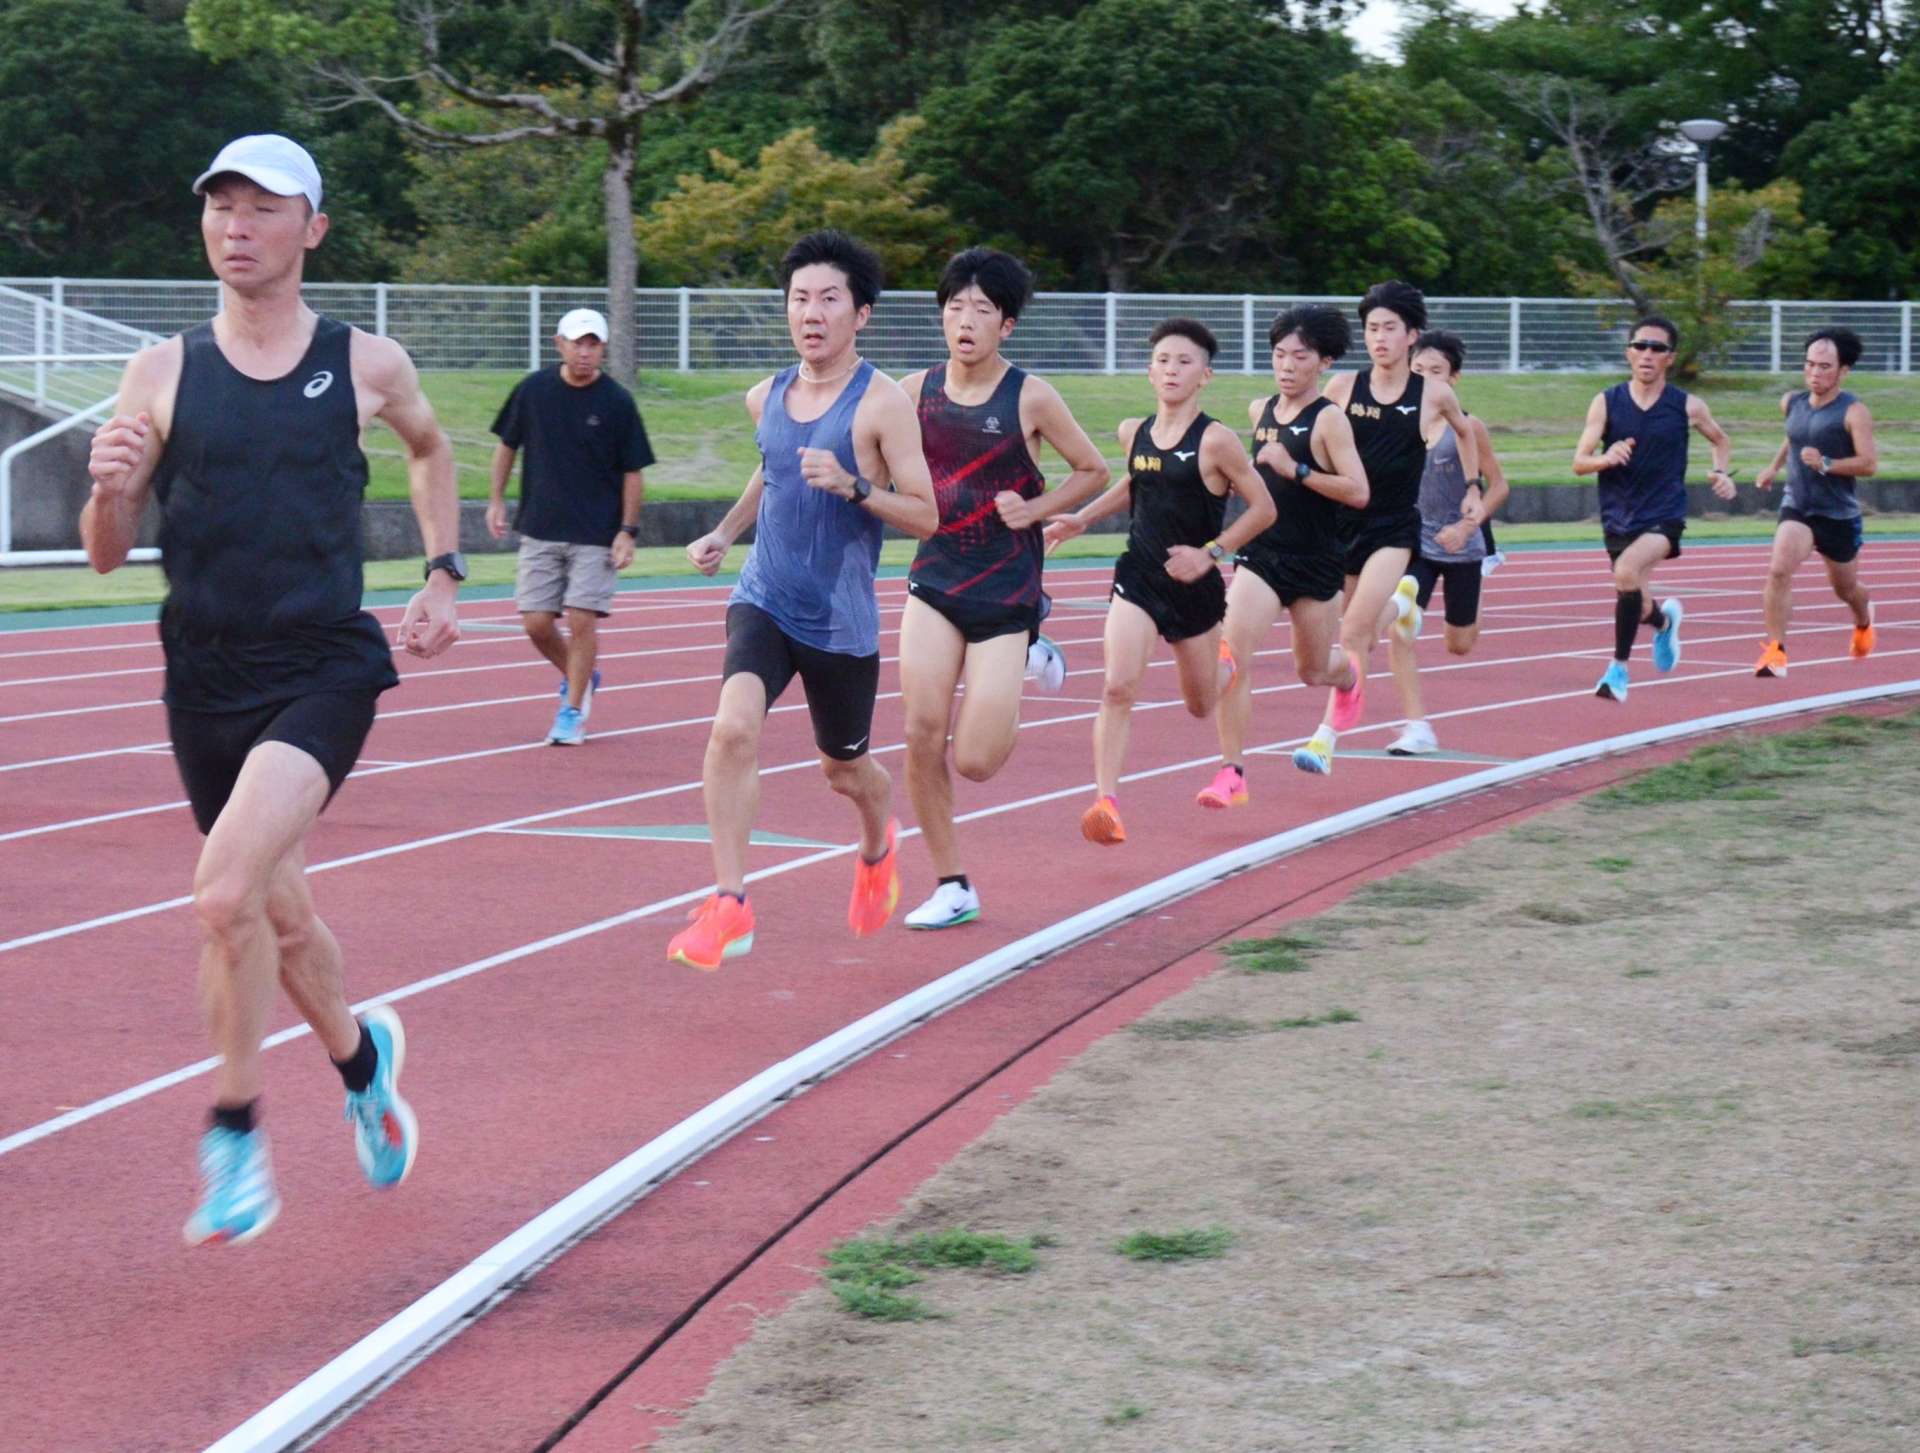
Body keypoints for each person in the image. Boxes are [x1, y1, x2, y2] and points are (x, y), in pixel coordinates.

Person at [79, 135, 461, 1245]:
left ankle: (236, 1133)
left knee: (221, 889)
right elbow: (105, 549)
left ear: (313, 229)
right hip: (203, 673)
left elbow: (431, 453)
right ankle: (362, 1062)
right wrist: (108, 492)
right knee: (275, 914)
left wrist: (442, 569)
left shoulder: (365, 364)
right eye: (220, 206)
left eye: (262, 207)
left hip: (322, 667)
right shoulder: (161, 371)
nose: (235, 226)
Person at [671, 231, 938, 969]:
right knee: (731, 731)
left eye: (828, 299)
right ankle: (730, 902)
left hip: (838, 621)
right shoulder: (767, 395)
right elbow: (774, 471)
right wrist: (726, 531)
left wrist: (855, 484)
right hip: (763, 595)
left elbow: (926, 514)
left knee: (843, 769)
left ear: (862, 314)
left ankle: (878, 845)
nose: (811, 313)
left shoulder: (882, 405)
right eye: (799, 299)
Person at [897, 248, 1110, 928]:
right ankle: (952, 882)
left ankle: (1027, 653)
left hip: (1005, 592)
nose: (965, 321)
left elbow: (1091, 469)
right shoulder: (913, 391)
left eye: (981, 310)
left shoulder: (1031, 396)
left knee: (977, 760)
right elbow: (866, 451)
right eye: (955, 307)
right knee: (921, 733)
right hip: (933, 581)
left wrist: (1038, 509)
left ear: (1006, 325)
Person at [1044, 318, 1275, 844]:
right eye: (1164, 361)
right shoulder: (1134, 431)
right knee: (1117, 686)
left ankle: (1225, 662)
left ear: (1205, 376)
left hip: (1195, 588)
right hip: (1140, 576)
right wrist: (1082, 518)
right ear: (1150, 371)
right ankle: (1106, 801)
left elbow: (1263, 508)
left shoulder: (1217, 441)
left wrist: (1211, 554)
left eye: (1184, 362)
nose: (1172, 370)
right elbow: (1137, 481)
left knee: (1201, 705)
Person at [1293, 280, 1477, 775]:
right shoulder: (1342, 388)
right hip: (1341, 526)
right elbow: (1309, 439)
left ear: (1411, 335)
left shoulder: (1432, 393)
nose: (1379, 338)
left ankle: (1325, 737)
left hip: (1394, 530)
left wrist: (1473, 486)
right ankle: (1403, 605)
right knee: (1358, 632)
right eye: (1372, 328)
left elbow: (1467, 432)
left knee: (1351, 634)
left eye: (1389, 329)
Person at [1195, 305, 1367, 810]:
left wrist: (1297, 471)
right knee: (1231, 650)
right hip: (1263, 556)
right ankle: (1232, 772)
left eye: (1300, 356)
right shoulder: (1259, 411)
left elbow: (1358, 491)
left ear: (1324, 362)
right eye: (1279, 355)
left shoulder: (1330, 421)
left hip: (1315, 563)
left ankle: (1348, 675)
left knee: (1312, 671)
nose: (1287, 366)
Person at [488, 307, 654, 745]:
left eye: (593, 344)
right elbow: (507, 446)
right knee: (536, 623)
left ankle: (572, 709)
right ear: (559, 343)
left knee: (582, 618)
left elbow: (633, 471)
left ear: (602, 349)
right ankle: (580, 675)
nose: (585, 352)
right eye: (577, 343)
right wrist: (495, 501)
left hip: (595, 534)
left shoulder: (617, 402)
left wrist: (627, 530)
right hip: (540, 527)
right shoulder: (533, 391)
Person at [1572, 316, 1735, 702]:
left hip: (1664, 515)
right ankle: (1664, 622)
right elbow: (1580, 461)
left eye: (1657, 348)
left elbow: (1720, 439)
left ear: (1670, 358)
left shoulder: (1687, 406)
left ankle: (1618, 671)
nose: (1647, 354)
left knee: (1626, 571)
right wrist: (1605, 458)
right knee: (1637, 599)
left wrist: (1720, 472)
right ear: (1629, 352)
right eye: (1640, 345)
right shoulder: (1606, 402)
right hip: (1618, 515)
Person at [1385, 330, 1511, 756]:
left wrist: (1468, 526)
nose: (1424, 379)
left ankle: (1476, 600)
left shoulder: (1467, 425)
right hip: (1414, 539)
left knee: (1459, 644)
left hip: (1460, 541)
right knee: (1400, 628)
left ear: (1453, 379)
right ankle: (1416, 727)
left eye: (1435, 372)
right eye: (1417, 370)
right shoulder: (1394, 421)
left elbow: (1499, 487)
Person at [1751, 327, 1879, 676]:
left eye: (1824, 366)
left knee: (1847, 590)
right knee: (1778, 569)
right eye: (1809, 364)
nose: (1815, 373)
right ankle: (1776, 653)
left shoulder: (1854, 412)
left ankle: (1864, 621)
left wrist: (1826, 464)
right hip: (1799, 506)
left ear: (1843, 371)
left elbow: (1868, 464)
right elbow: (1793, 437)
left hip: (1837, 514)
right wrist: (1773, 468)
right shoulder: (1791, 401)